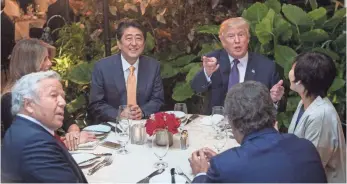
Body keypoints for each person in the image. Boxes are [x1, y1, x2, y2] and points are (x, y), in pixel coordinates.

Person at [189, 81, 327, 183]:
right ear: (272, 113)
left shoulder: (223, 166)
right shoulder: (306, 147)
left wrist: (201, 174)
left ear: (233, 122)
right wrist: (226, 161)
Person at [1, 38, 95, 150]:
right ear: (29, 63)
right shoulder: (10, 99)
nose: (50, 63)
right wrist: (65, 144)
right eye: (44, 59)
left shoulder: (47, 92)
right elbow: (26, 147)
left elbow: (69, 122)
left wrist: (73, 135)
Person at [1, 71, 87, 182]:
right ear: (29, 105)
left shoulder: (22, 129)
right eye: (54, 95)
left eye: (62, 96)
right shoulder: (34, 144)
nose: (63, 102)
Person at [191, 17, 284, 114]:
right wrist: (207, 73)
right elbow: (196, 88)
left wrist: (274, 100)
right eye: (231, 36)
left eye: (241, 35)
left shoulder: (266, 66)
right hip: (216, 123)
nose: (237, 40)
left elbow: (280, 106)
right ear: (223, 41)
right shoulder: (213, 60)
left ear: (248, 38)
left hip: (251, 125)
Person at [88, 19, 164, 122]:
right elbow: (96, 104)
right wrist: (119, 114)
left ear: (144, 43)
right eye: (128, 38)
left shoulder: (153, 67)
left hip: (143, 126)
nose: (134, 43)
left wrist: (142, 112)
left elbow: (158, 100)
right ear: (119, 43)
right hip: (114, 128)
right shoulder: (102, 67)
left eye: (138, 38)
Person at [287, 52, 346, 183]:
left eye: (293, 68)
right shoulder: (304, 102)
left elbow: (312, 165)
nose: (290, 72)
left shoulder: (320, 116)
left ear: (302, 79)